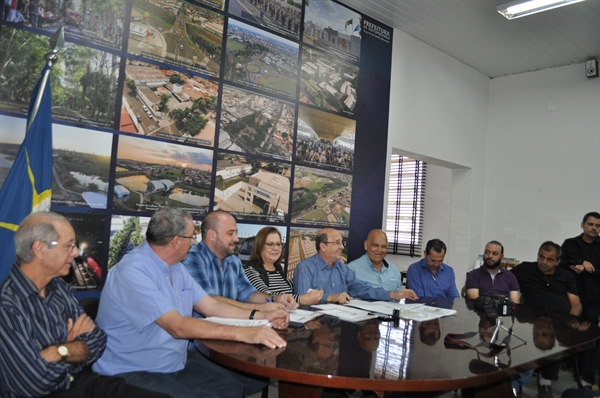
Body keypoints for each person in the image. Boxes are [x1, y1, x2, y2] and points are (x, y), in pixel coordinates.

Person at [93, 208, 289, 398]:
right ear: (176, 241)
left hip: (172, 362)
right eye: (191, 237)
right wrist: (248, 333)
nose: (194, 242)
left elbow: (211, 306)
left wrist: (263, 315)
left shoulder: (177, 268)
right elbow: (177, 326)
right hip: (130, 369)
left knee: (232, 388)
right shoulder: (132, 272)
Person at [0, 212, 170, 398]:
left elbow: (97, 340)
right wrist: (72, 348)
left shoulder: (58, 288)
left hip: (86, 384)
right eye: (69, 246)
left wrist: (60, 351)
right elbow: (33, 383)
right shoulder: (6, 306)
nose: (75, 252)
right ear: (40, 249)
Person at [183, 210, 297, 311]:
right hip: (203, 332)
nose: (236, 239)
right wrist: (259, 308)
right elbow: (209, 301)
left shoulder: (234, 261)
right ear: (212, 235)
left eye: (236, 233)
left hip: (230, 329)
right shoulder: (192, 257)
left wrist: (275, 298)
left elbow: (249, 293)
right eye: (230, 233)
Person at [511, 241, 582, 398]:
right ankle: (515, 381)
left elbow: (576, 304)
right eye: (541, 257)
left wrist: (568, 323)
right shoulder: (525, 269)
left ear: (557, 261)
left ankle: (545, 382)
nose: (543, 262)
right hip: (529, 321)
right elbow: (503, 279)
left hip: (558, 321)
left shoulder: (566, 276)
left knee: (555, 337)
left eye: (549, 259)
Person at [293, 228, 418, 304]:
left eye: (342, 243)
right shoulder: (305, 268)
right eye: (337, 243)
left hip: (339, 325)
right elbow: (303, 299)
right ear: (323, 246)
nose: (342, 247)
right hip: (314, 328)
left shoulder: (342, 268)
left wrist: (392, 294)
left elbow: (362, 289)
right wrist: (330, 297)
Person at [243, 226, 324, 306]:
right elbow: (265, 296)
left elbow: (287, 288)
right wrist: (301, 299)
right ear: (259, 247)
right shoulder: (250, 271)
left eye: (278, 244)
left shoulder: (277, 269)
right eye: (270, 244)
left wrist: (307, 276)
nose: (276, 248)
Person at [348, 229, 416, 297]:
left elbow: (398, 298)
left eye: (383, 246)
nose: (379, 250)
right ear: (366, 245)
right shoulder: (352, 270)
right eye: (375, 245)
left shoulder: (394, 270)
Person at [560, 212, 600, 322]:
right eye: (590, 224)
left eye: (598, 226)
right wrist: (580, 261)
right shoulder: (570, 243)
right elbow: (559, 263)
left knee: (589, 330)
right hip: (569, 294)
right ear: (582, 225)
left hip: (593, 297)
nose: (594, 228)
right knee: (567, 328)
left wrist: (588, 270)